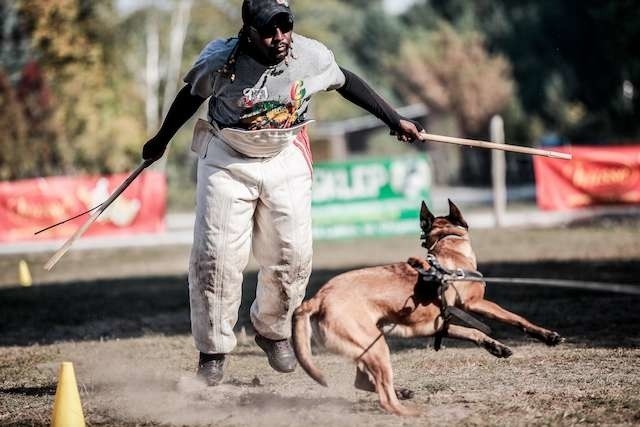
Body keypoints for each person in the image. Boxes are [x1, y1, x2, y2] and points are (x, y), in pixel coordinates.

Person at [142, 0, 424, 386]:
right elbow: (191, 95)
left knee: (292, 254)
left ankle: (273, 331)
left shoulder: (309, 54)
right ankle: (213, 351)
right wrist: (160, 140)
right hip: (228, 155)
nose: (279, 38)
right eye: (269, 31)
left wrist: (395, 119)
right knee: (217, 256)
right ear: (249, 32)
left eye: (285, 27)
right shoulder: (220, 61)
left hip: (285, 151)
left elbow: (347, 82)